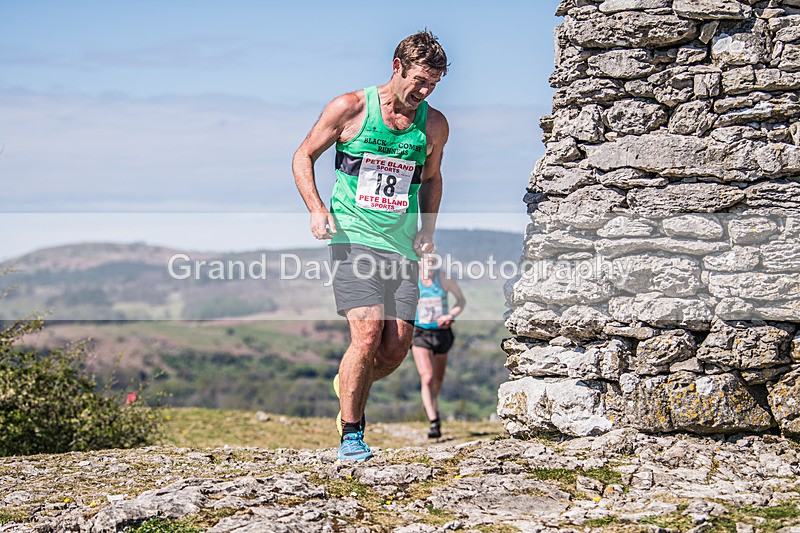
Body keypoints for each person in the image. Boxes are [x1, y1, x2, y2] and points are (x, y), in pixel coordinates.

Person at [292, 30, 449, 461]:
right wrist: (316, 207)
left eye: (433, 84)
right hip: (352, 238)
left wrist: (428, 229)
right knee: (366, 334)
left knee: (395, 348)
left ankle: (348, 382)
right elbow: (303, 155)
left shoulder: (434, 124)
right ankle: (352, 434)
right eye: (418, 79)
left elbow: (431, 178)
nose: (424, 90)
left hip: (400, 247)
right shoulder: (350, 108)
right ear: (396, 67)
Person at [411, 254, 466, 439]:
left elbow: (460, 301)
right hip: (420, 333)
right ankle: (434, 421)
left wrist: (450, 315)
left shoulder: (443, 278)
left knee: (437, 380)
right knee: (427, 377)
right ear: (419, 262)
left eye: (433, 262)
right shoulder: (412, 280)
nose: (430, 265)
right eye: (427, 262)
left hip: (442, 333)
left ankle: (431, 404)